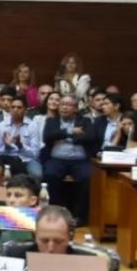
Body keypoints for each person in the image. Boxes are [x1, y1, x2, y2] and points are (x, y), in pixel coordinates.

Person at [10, 205, 118, 271]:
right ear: (35, 236)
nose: (51, 248)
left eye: (58, 241)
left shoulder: (87, 263)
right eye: (44, 241)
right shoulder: (16, 257)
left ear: (70, 237)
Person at [42, 96, 94, 224]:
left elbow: (91, 137)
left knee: (88, 177)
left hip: (80, 161)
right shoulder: (52, 121)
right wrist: (70, 132)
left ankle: (80, 217)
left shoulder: (85, 121)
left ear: (75, 108)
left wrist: (65, 137)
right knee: (50, 174)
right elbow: (47, 137)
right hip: (57, 160)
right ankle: (54, 213)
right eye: (62, 104)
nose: (64, 107)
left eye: (69, 105)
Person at [0, 95, 43, 178]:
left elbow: (35, 154)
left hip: (27, 159)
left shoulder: (32, 126)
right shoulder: (1, 126)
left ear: (25, 111)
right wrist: (6, 146)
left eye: (19, 107)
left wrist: (20, 146)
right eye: (13, 107)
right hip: (8, 159)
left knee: (37, 175)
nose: (15, 110)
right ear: (9, 109)